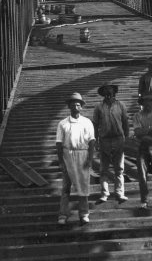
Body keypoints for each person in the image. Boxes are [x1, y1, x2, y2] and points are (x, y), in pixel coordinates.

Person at [55, 92, 96, 226]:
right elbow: (59, 144)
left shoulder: (87, 122)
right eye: (73, 104)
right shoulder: (63, 124)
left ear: (81, 107)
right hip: (68, 155)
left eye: (78, 104)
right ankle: (63, 214)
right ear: (69, 106)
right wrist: (61, 161)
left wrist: (90, 159)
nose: (76, 106)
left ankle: (84, 213)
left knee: (83, 186)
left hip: (82, 155)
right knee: (66, 187)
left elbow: (91, 142)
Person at [92, 82, 129, 204]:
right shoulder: (98, 107)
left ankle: (119, 193)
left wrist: (127, 138)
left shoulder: (121, 105)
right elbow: (95, 125)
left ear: (114, 92)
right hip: (104, 140)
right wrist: (96, 141)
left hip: (119, 139)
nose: (108, 93)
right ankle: (104, 193)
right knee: (104, 169)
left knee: (119, 168)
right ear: (103, 93)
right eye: (106, 91)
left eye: (110, 90)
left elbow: (125, 123)